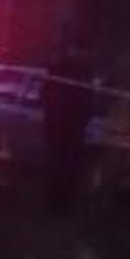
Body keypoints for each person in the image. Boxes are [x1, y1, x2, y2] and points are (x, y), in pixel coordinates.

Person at [42, 47, 94, 215]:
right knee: (65, 166)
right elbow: (45, 96)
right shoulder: (76, 73)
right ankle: (59, 204)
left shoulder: (65, 72)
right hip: (66, 127)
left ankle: (58, 204)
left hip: (65, 127)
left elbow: (44, 96)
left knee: (62, 166)